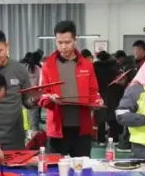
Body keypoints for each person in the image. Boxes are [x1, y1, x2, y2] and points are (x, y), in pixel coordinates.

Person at [38, 20, 102, 157]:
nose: (63, 47)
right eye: (59, 42)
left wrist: (97, 101)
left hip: (82, 128)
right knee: (54, 167)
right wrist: (50, 99)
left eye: (67, 42)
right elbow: (42, 96)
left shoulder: (87, 65)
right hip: (57, 128)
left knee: (82, 167)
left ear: (75, 40)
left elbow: (94, 92)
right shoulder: (48, 66)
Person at [0, 29, 38, 151]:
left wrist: (35, 99)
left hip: (14, 138)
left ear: (7, 46)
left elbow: (27, 102)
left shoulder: (20, 70)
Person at [93, 50, 122, 144]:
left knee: (100, 116)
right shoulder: (115, 66)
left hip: (100, 93)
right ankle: (115, 139)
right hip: (113, 93)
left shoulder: (95, 67)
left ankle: (101, 139)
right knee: (113, 116)